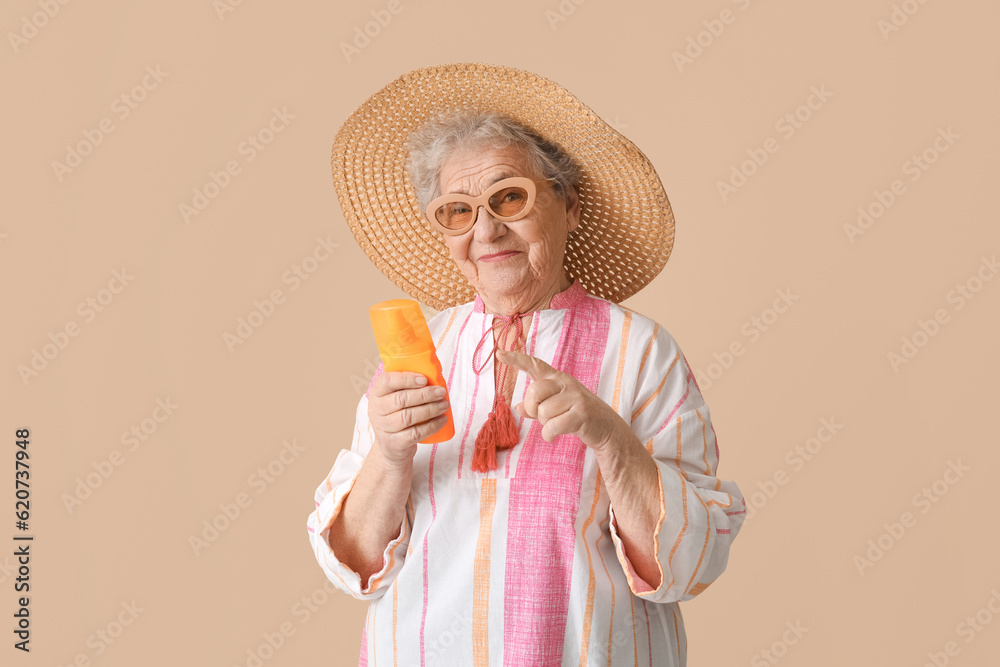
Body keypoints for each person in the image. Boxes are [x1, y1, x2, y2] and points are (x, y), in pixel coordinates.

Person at [307, 63, 746, 666]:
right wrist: (388, 452)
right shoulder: (415, 357)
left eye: (508, 196)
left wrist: (610, 437)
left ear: (566, 204)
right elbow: (352, 564)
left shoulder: (642, 351)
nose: (486, 229)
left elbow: (692, 564)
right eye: (457, 211)